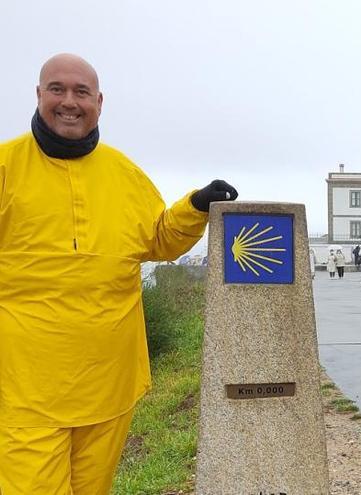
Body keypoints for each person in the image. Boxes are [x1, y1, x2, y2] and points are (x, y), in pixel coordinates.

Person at [0, 54, 238, 494]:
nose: (69, 102)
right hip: (24, 389)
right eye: (57, 89)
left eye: (81, 92)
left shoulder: (124, 173)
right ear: (38, 95)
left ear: (99, 102)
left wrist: (195, 207)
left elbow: (159, 239)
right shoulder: (6, 166)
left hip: (108, 383)